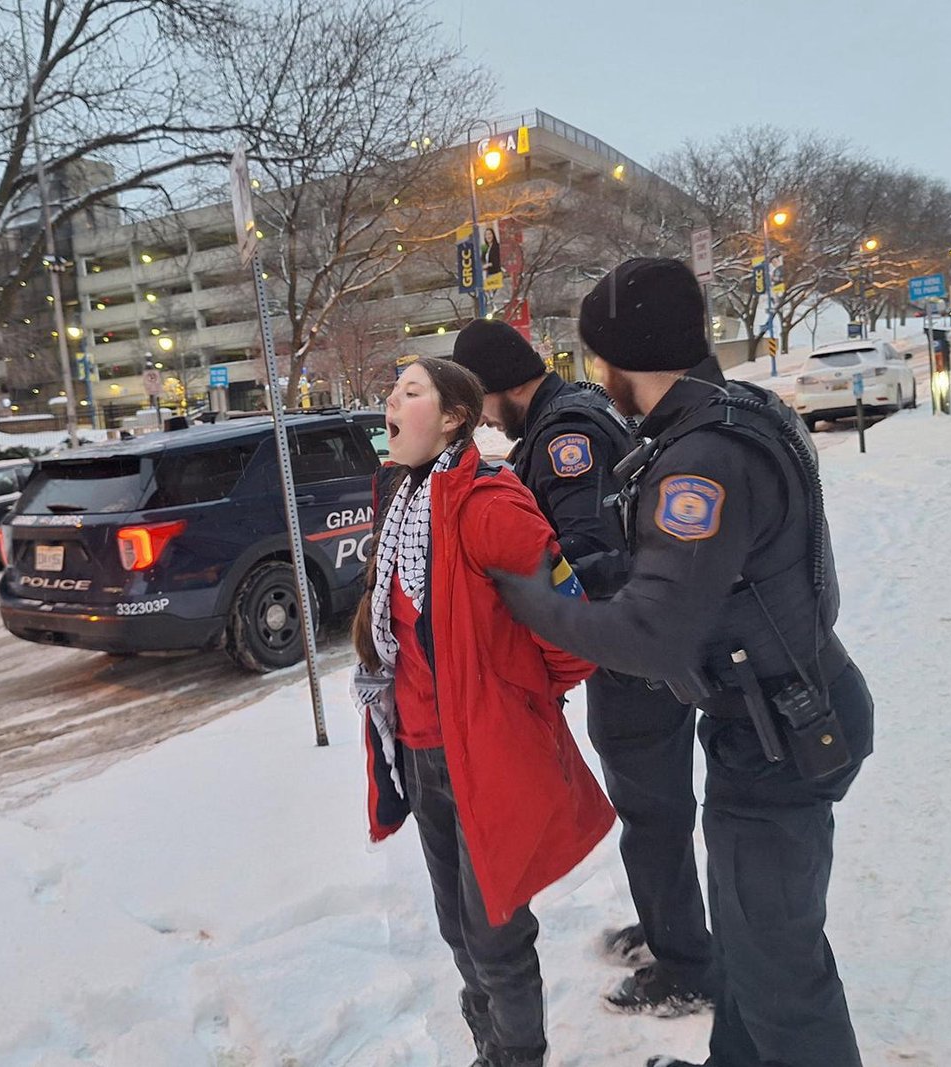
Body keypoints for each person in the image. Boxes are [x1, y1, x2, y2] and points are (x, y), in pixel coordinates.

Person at [490, 259, 875, 1067]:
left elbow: (651, 637)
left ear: (624, 356)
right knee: (745, 938)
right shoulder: (730, 414)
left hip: (784, 734)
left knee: (783, 972)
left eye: (599, 357)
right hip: (763, 722)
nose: (596, 375)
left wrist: (530, 600)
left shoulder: (702, 460)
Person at [351, 356, 614, 1067]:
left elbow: (570, 629)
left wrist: (517, 703)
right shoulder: (404, 499)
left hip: (485, 752)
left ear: (454, 417)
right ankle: (490, 1050)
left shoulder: (489, 502)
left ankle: (519, 1056)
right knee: (459, 929)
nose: (390, 402)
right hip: (420, 749)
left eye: (410, 391)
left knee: (496, 932)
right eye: (391, 389)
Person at [450, 319, 716, 1017]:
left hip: (630, 655)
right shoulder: (574, 415)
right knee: (650, 805)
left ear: (501, 385)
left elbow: (589, 558)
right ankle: (670, 930)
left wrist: (528, 610)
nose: (482, 420)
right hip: (633, 646)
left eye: (480, 403)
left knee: (653, 809)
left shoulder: (567, 436)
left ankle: (688, 963)